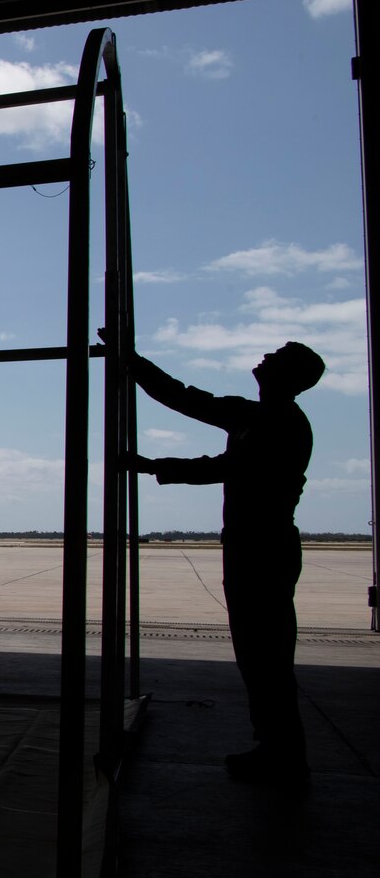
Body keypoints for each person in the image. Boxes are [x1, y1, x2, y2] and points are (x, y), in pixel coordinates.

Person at [108, 332, 324, 783]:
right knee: (255, 654)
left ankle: (285, 755)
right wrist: (132, 360)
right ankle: (275, 747)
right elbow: (183, 397)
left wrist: (152, 465)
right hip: (248, 545)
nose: (265, 356)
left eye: (277, 356)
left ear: (291, 376)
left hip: (264, 548)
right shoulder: (254, 415)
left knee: (267, 656)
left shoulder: (282, 422)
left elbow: (226, 468)